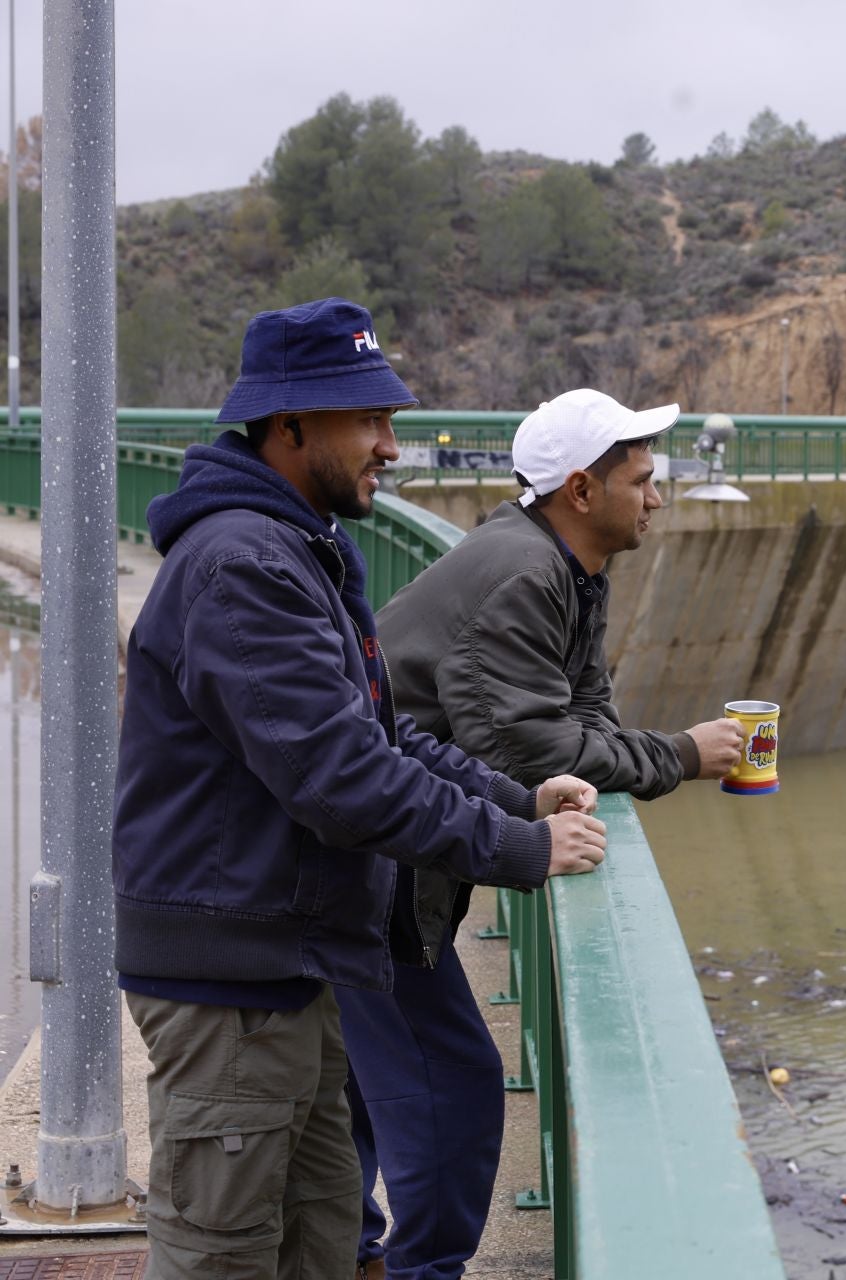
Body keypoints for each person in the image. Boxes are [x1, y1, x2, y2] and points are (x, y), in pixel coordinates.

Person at [112, 297, 611, 1280]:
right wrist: (518, 850)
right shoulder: (242, 567)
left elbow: (379, 740)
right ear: (288, 427)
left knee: (325, 1239)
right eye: (369, 420)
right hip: (230, 983)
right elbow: (344, 780)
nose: (392, 444)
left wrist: (518, 800)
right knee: (224, 1251)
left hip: (287, 961)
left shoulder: (295, 550)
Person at [341, 388, 746, 1280]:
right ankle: (416, 1270)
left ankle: (357, 1252)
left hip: (392, 848)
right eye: (641, 481)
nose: (656, 499)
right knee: (452, 1089)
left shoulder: (566, 569)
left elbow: (584, 712)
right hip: (379, 864)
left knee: (364, 1092)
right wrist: (682, 754)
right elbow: (526, 742)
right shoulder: (524, 574)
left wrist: (633, 751)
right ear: (579, 490)